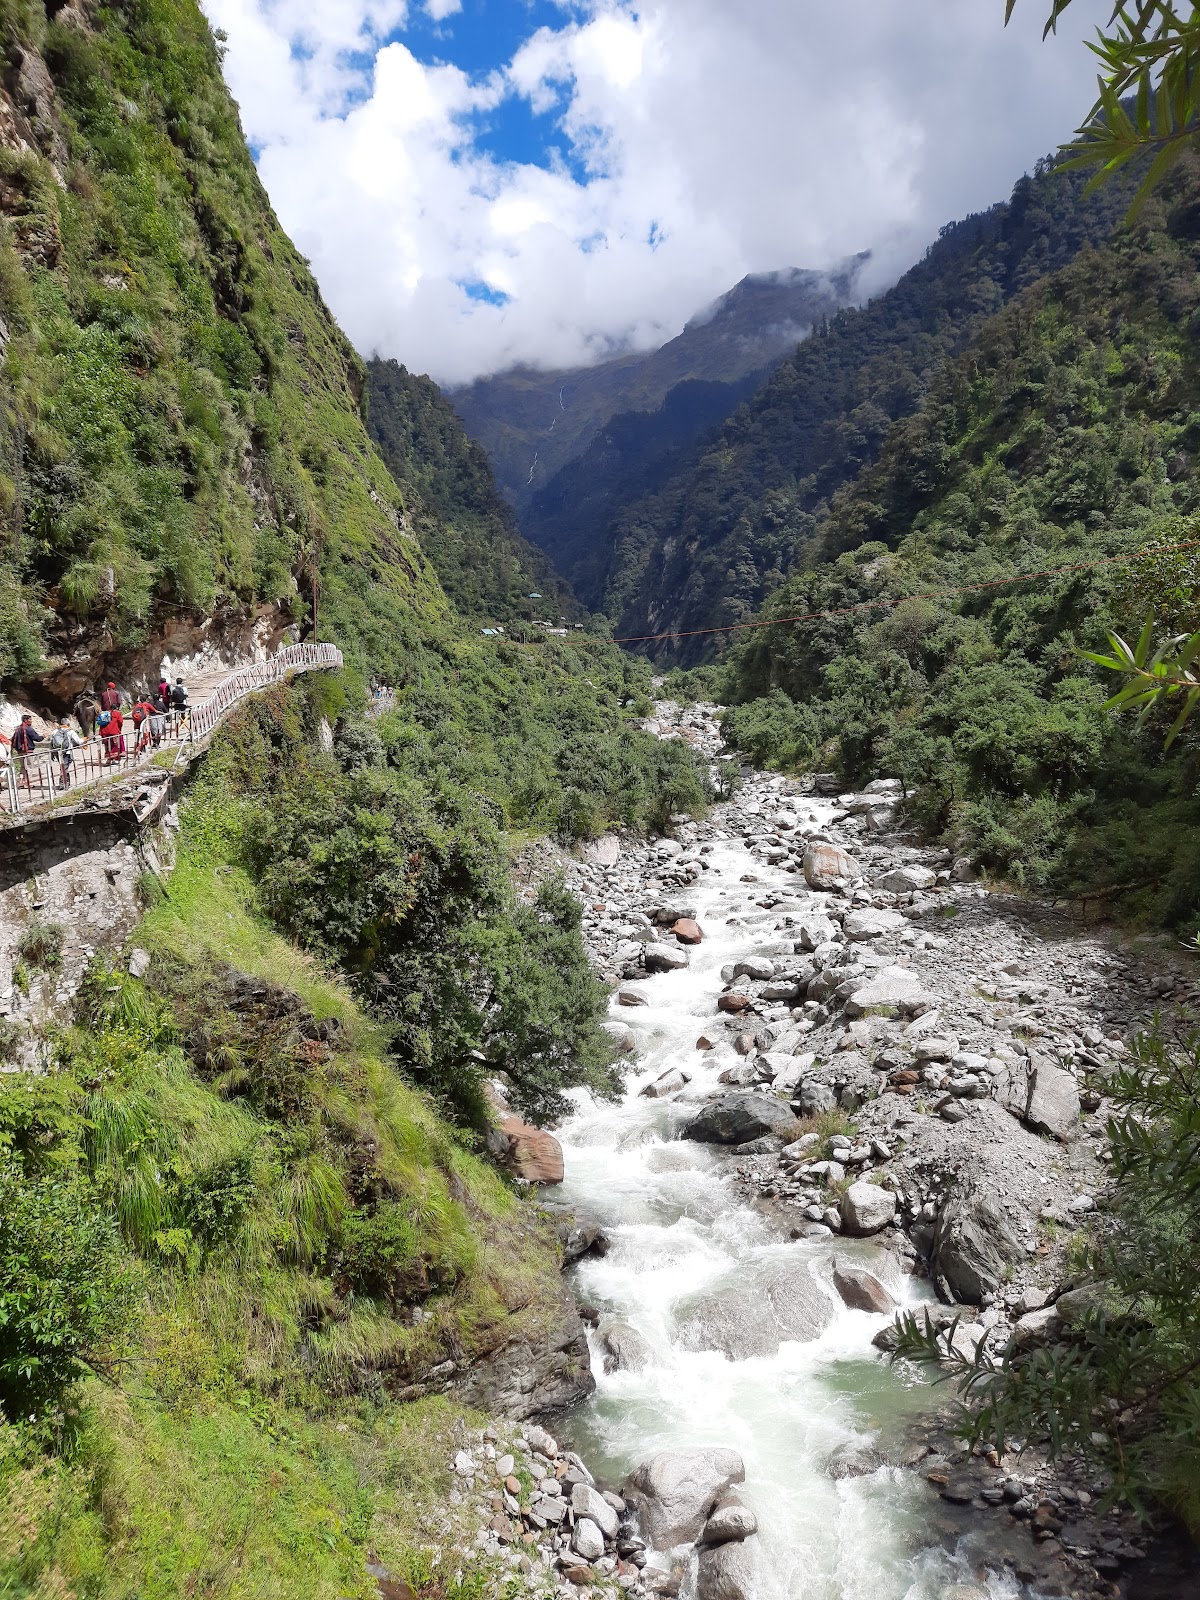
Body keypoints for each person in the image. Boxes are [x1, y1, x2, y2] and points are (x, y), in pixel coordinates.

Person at [12, 713, 44, 792]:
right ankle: (27, 783)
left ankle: (21, 782)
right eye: (30, 719)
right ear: (26, 720)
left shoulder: (18, 729)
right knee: (29, 767)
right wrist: (43, 736)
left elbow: (13, 739)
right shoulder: (29, 729)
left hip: (20, 751)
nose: (31, 721)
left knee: (22, 767)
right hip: (28, 751)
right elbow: (37, 738)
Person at [49, 721, 74, 788]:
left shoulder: (54, 731)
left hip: (57, 752)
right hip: (67, 752)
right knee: (64, 768)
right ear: (68, 724)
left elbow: (51, 743)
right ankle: (63, 783)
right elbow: (78, 741)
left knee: (64, 767)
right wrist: (86, 740)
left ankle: (67, 782)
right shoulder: (70, 731)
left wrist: (52, 753)